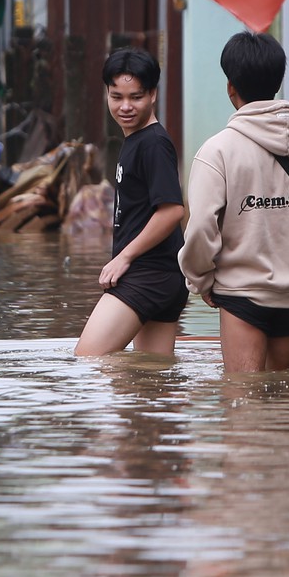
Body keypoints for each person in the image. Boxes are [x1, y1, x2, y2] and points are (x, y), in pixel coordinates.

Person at [181, 31, 289, 374]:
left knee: (244, 403)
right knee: (286, 404)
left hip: (242, 296)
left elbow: (200, 228)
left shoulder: (217, 151)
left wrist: (200, 280)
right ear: (277, 81)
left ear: (230, 88)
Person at [74, 48, 188, 357]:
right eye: (117, 96)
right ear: (107, 94)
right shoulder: (137, 140)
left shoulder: (152, 142)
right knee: (149, 377)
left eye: (135, 97)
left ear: (152, 94)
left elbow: (172, 210)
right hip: (164, 276)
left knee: (88, 363)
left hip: (148, 274)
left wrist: (124, 257)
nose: (125, 106)